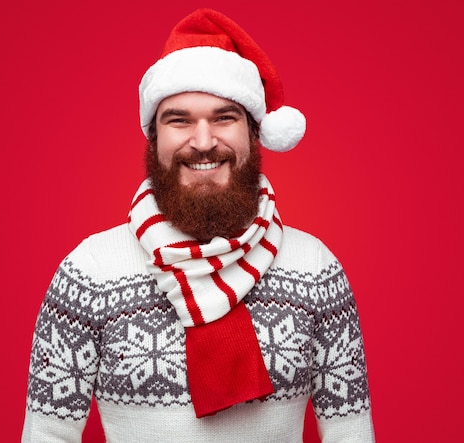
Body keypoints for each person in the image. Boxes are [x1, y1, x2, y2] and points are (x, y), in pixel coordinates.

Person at [21, 8, 375, 442]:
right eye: (180, 120)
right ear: (154, 137)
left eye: (224, 117)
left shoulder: (316, 268)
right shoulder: (89, 273)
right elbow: (47, 435)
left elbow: (350, 434)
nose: (204, 141)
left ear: (255, 133)